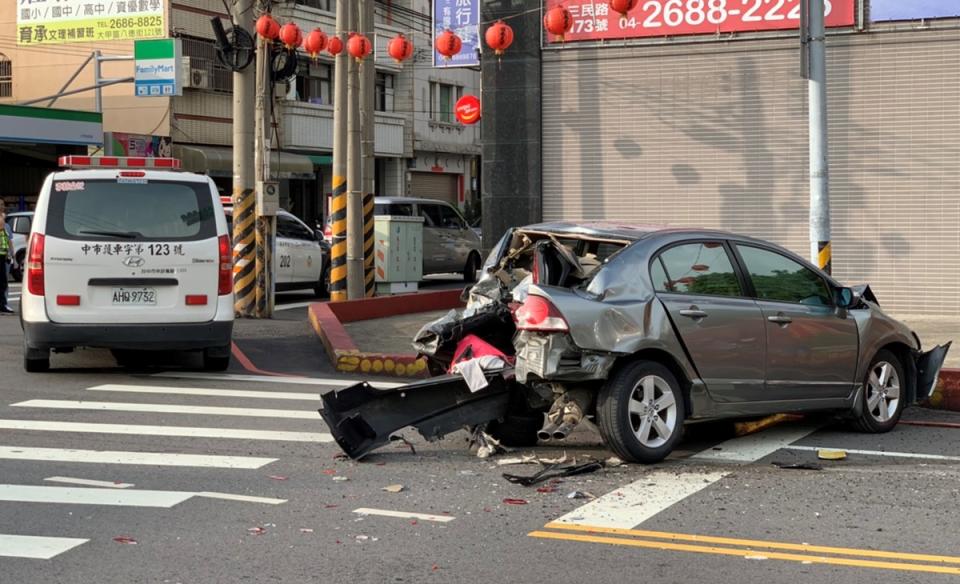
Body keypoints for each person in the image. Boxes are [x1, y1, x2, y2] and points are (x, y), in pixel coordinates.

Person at [0, 209, 14, 313]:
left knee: (3, 282)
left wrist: (10, 255)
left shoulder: (4, 231)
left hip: (3, 258)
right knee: (2, 282)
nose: (3, 222)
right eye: (2, 220)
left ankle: (3, 304)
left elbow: (9, 243)